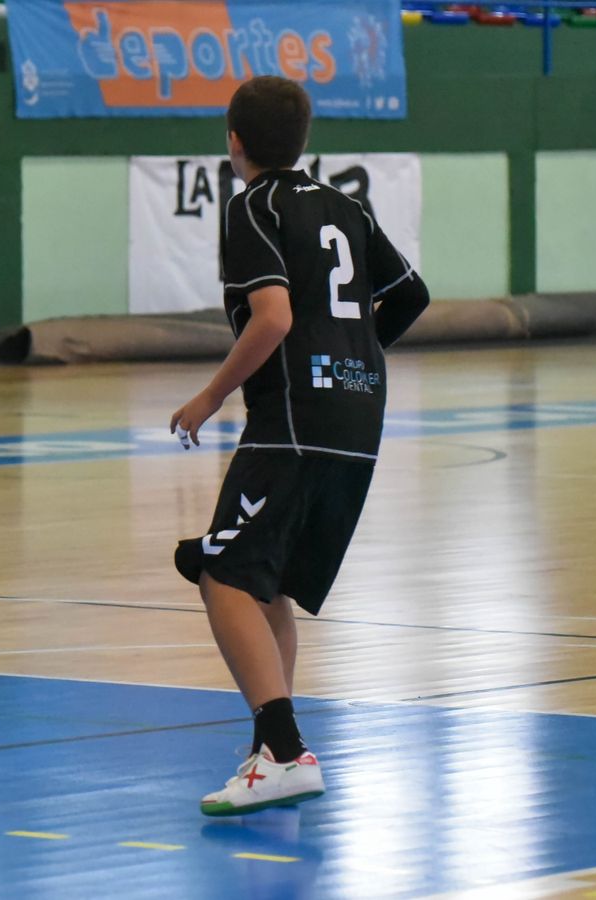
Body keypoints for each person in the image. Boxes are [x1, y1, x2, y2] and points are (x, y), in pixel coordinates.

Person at [169, 76, 430, 817]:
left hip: (293, 419)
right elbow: (411, 294)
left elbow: (274, 316)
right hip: (358, 418)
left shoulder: (253, 205)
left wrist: (210, 396)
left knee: (221, 572)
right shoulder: (346, 206)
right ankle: (269, 750)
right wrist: (353, 354)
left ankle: (285, 751)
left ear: (234, 141)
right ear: (305, 139)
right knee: (269, 582)